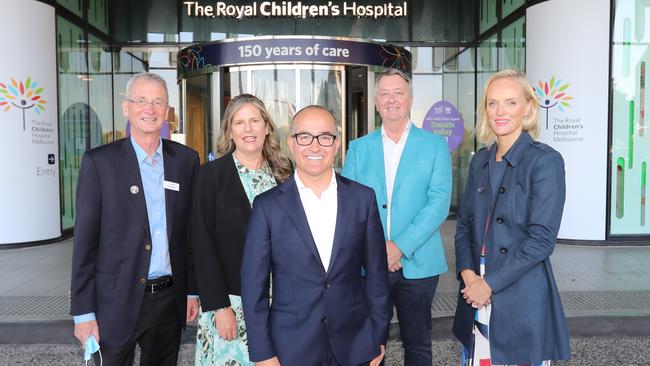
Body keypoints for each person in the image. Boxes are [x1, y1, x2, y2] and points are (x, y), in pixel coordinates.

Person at [241, 106, 390, 366]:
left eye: (324, 137)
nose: (315, 146)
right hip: (290, 348)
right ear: (291, 143)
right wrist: (263, 352)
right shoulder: (267, 206)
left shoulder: (362, 199)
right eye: (304, 137)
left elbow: (377, 275)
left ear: (336, 143)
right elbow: (254, 287)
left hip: (355, 344)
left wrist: (378, 336)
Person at [70, 72, 201, 365]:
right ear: (126, 107)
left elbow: (189, 235)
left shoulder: (186, 161)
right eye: (141, 100)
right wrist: (83, 312)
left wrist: (191, 290)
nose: (149, 109)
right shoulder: (99, 162)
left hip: (169, 298)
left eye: (157, 102)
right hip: (114, 302)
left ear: (167, 111)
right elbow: (84, 245)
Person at [452, 69, 570, 365]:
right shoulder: (480, 160)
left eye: (510, 102)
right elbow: (464, 225)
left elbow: (541, 240)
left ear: (528, 107)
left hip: (519, 295)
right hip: (474, 293)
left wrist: (487, 285)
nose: (499, 111)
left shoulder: (545, 161)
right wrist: (468, 276)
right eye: (492, 103)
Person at [341, 69, 452, 365]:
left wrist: (399, 246)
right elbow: (348, 205)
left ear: (410, 99)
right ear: (376, 102)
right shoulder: (358, 148)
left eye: (399, 93)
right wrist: (378, 250)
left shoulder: (435, 146)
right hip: (368, 265)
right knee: (368, 344)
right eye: (385, 94)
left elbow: (438, 203)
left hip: (418, 264)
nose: (392, 100)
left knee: (417, 344)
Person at [191, 94, 292, 365]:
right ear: (230, 131)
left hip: (281, 302)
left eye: (254, 121)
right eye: (239, 122)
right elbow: (201, 244)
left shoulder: (284, 174)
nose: (248, 129)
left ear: (267, 127)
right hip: (231, 304)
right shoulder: (210, 176)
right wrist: (219, 306)